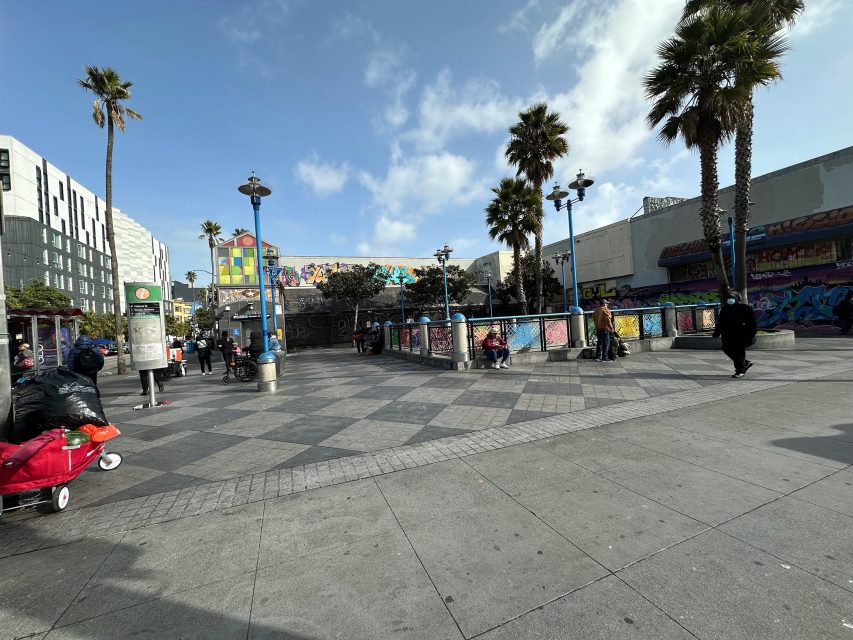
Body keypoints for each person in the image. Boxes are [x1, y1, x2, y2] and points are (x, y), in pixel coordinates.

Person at [713, 291, 758, 378]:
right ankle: (745, 363)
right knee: (726, 348)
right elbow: (720, 322)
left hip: (741, 335)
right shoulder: (725, 309)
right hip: (727, 335)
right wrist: (716, 333)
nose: (730, 300)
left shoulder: (745, 308)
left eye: (732, 298)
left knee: (739, 352)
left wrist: (750, 335)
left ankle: (740, 371)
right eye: (729, 298)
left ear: (737, 299)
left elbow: (752, 323)